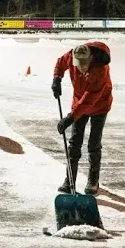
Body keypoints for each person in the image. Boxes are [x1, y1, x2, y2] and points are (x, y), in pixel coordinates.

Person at [51, 41, 112, 195]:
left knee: (93, 144)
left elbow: (90, 98)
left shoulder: (100, 69)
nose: (81, 67)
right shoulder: (71, 57)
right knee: (74, 143)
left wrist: (70, 118)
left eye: (84, 64)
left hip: (100, 105)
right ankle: (69, 180)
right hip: (79, 105)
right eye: (78, 64)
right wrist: (57, 79)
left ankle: (93, 180)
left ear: (91, 58)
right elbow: (60, 62)